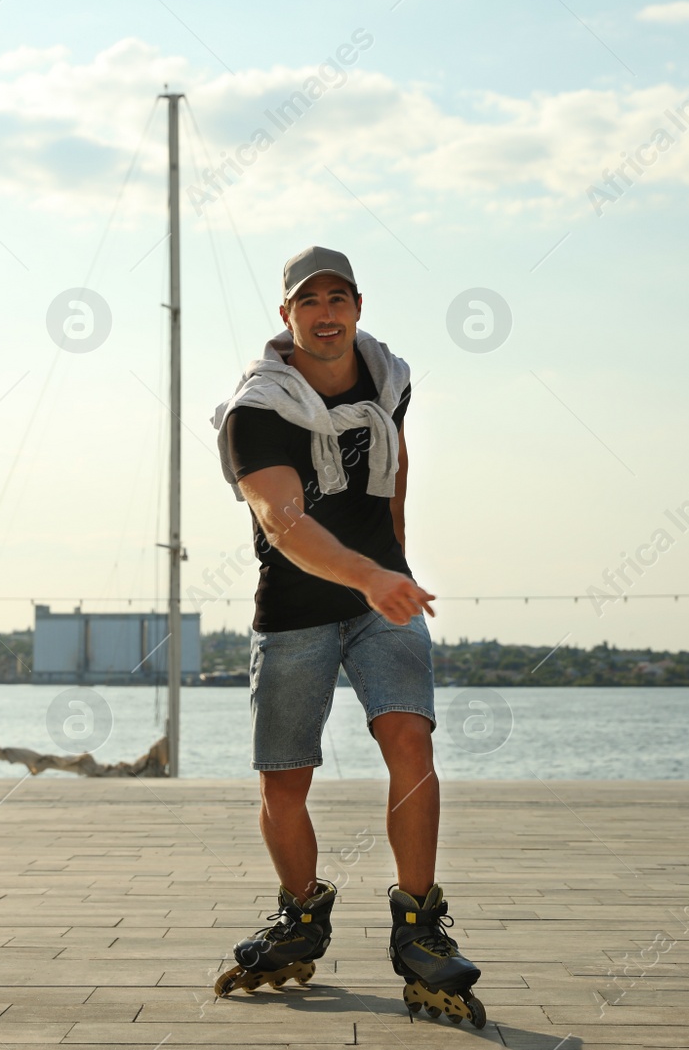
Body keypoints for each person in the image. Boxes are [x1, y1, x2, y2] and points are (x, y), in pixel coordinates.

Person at [205, 245, 485, 1028]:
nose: (326, 314)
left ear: (357, 306)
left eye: (340, 299)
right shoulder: (256, 410)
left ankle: (419, 925)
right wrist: (368, 573)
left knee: (411, 741)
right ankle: (301, 914)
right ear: (286, 315)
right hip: (296, 607)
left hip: (381, 600)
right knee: (284, 781)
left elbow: (395, 471)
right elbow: (282, 522)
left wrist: (392, 561)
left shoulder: (387, 380)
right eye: (309, 302)